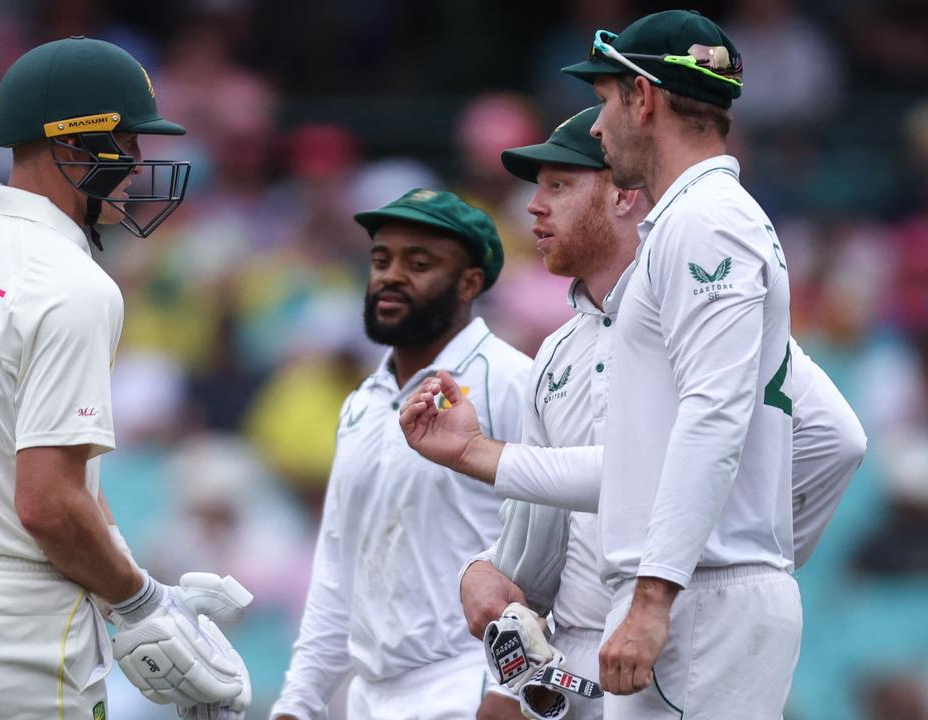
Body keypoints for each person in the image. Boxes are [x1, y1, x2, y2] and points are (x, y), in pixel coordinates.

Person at [400, 105, 867, 720]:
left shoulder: (708, 307)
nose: (533, 207)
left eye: (558, 186)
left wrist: (723, 552)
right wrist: (487, 574)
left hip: (667, 625)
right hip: (577, 656)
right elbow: (538, 539)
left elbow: (833, 441)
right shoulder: (556, 355)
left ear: (624, 195)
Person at [0, 37, 252, 720]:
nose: (136, 171)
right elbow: (46, 501)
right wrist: (141, 603)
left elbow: (46, 472)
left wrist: (134, 582)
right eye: (125, 148)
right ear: (74, 147)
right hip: (7, 629)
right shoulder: (75, 284)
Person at [570, 9, 802, 717]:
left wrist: (654, 596)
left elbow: (715, 412)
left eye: (607, 100)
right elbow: (837, 435)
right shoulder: (704, 218)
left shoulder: (706, 222)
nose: (595, 126)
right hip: (704, 589)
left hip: (694, 599)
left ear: (644, 98)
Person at [270, 189, 531, 720]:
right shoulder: (363, 403)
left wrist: (511, 689)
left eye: (419, 263)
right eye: (381, 260)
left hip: (469, 684)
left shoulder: (513, 382)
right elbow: (337, 570)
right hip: (371, 697)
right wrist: (297, 703)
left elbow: (559, 548)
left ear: (470, 283)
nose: (391, 276)